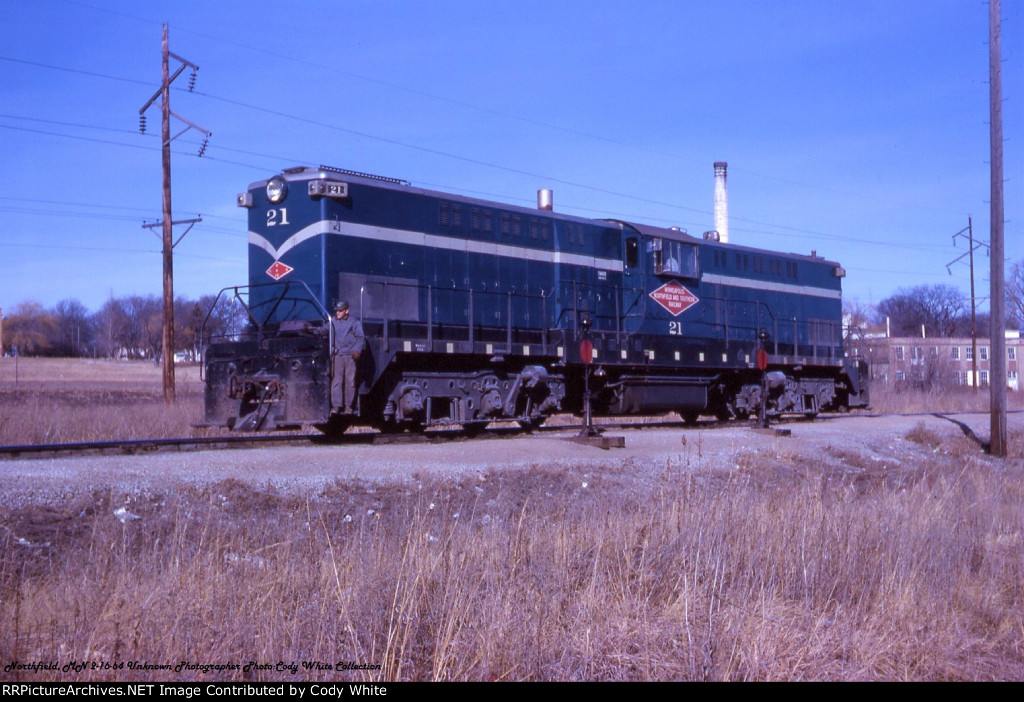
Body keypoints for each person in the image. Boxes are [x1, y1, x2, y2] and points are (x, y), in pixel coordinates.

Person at [330, 300, 365, 414]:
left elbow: (360, 337)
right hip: (338, 355)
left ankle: (349, 406)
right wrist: (309, 329)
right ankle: (336, 406)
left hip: (350, 356)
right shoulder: (333, 322)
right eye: (337, 311)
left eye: (340, 311)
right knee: (337, 381)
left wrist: (357, 350)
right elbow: (323, 331)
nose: (338, 313)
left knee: (350, 381)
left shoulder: (354, 322)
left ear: (346, 311)